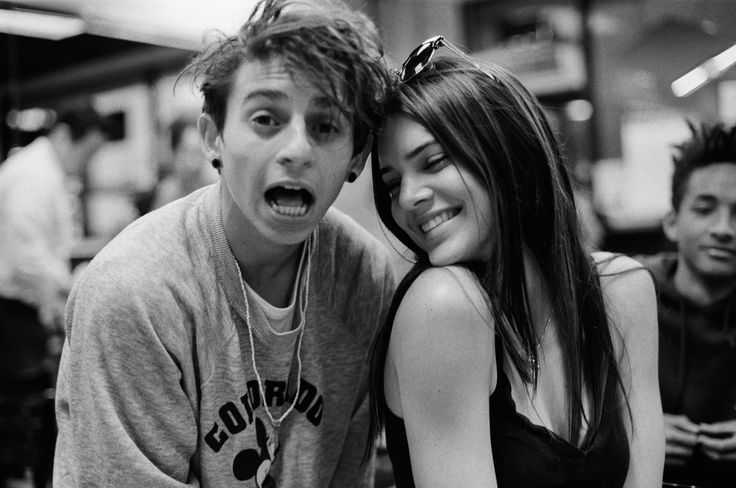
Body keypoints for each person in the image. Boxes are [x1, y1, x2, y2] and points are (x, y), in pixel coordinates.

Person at [53, 0, 395, 486]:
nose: (297, 150)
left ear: (357, 155)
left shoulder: (363, 275)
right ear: (213, 137)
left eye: (326, 126)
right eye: (266, 119)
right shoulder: (136, 293)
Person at [367, 36, 664, 487]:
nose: (407, 198)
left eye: (434, 161)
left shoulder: (623, 290)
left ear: (509, 150)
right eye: (392, 184)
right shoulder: (444, 303)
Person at [0, 102, 112, 486]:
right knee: (25, 411)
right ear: (63, 136)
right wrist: (75, 285)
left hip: (23, 306)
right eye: (87, 151)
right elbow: (25, 259)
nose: (86, 163)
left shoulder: (49, 172)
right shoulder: (33, 174)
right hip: (9, 313)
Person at [637, 122, 736, 488]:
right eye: (705, 209)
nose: (724, 229)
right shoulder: (624, 294)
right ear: (672, 222)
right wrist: (634, 428)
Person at [151, 116, 218, 210]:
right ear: (174, 152)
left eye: (200, 153)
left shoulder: (212, 193)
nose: (195, 163)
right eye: (189, 153)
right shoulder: (167, 195)